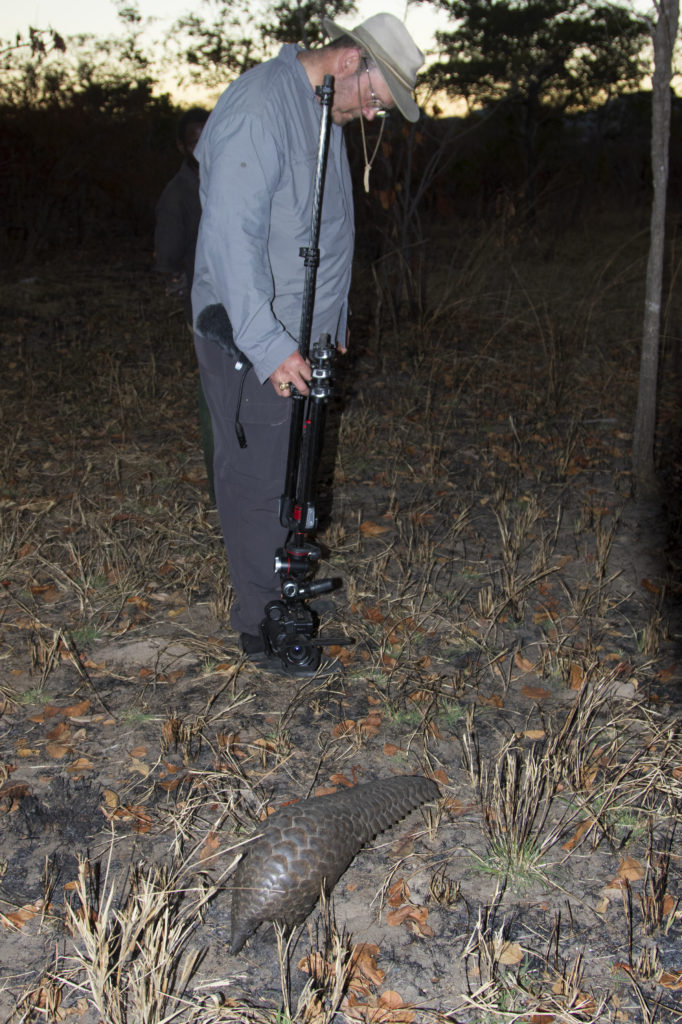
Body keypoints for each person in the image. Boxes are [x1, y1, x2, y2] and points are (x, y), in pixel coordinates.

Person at [191, 14, 424, 670]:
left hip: (299, 338)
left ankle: (282, 591)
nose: (376, 115)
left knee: (293, 473)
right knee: (258, 478)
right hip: (249, 336)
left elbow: (317, 232)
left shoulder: (321, 112)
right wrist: (268, 344)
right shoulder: (262, 105)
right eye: (378, 97)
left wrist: (330, 328)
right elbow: (230, 240)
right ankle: (260, 626)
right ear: (350, 61)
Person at [154, 107, 215, 502]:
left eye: (206, 138)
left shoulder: (225, 178)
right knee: (213, 390)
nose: (201, 148)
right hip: (204, 305)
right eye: (193, 142)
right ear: (181, 146)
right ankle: (218, 481)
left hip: (238, 301)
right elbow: (167, 256)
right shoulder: (178, 193)